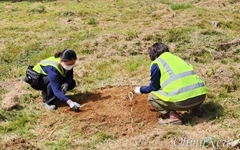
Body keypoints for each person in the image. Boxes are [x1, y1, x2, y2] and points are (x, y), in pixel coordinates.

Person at [134, 42, 207, 125]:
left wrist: (140, 90)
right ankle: (196, 110)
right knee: (187, 86)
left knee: (152, 97)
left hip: (183, 102)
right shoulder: (178, 59)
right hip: (200, 97)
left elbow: (153, 88)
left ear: (154, 56)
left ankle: (173, 117)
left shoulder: (157, 63)